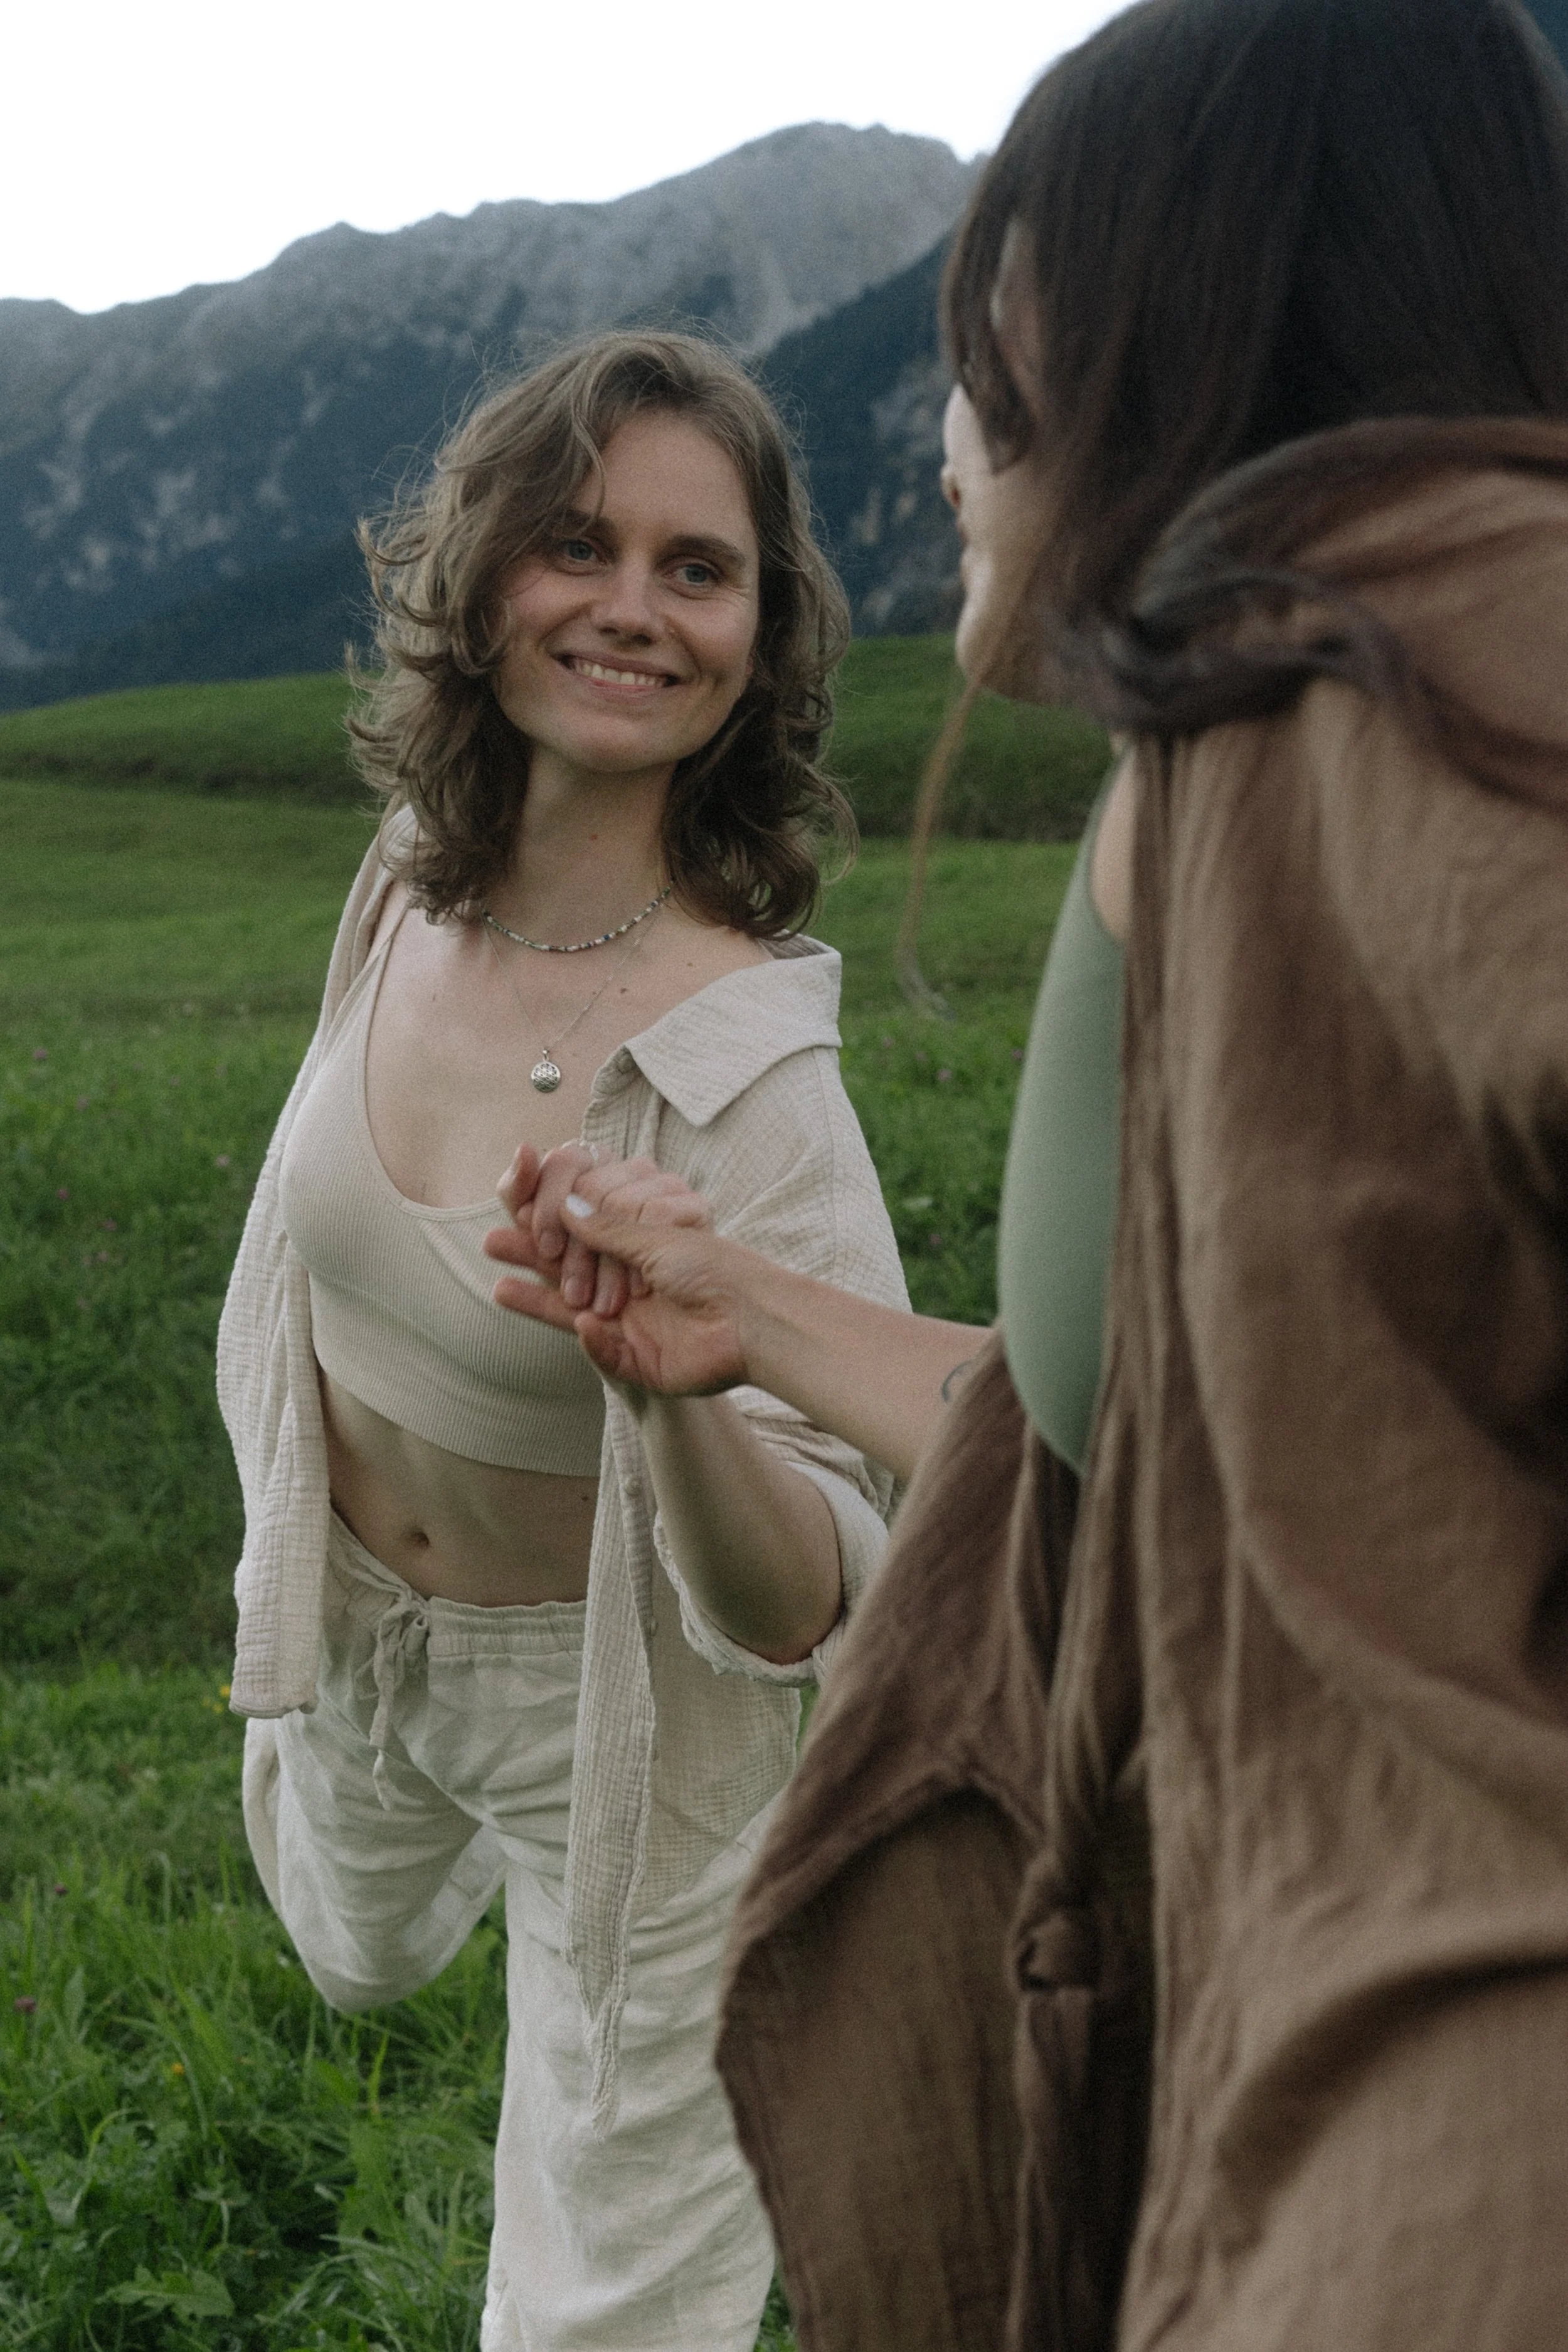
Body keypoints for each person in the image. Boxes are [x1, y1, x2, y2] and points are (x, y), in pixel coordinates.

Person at [486, 5, 1568, 2347]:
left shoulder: (1438, 657)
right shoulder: (1240, 742)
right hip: (1291, 2059)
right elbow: (1208, 1428)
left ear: (1143, 315)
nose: (946, 447)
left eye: (979, 353)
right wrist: (744, 1317)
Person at [214, 329, 908, 2352]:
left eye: (699, 569)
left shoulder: (749, 1082)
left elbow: (811, 1592)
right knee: (349, 1954)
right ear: (483, 572)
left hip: (631, 1713)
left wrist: (670, 1408)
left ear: (756, 639)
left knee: (610, 2308)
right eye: (578, 544)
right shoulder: (403, 884)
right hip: (354, 1619)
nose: (632, 607)